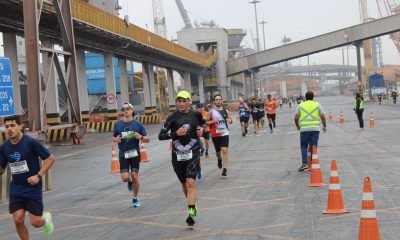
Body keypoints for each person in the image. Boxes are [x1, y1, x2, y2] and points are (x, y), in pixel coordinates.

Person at [0, 115, 55, 240]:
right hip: (16, 188)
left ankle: (45, 220)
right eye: (6, 126)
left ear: (20, 126)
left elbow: (50, 158)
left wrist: (38, 176)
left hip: (32, 188)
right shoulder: (4, 147)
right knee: (18, 219)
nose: (9, 129)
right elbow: (2, 168)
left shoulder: (30, 143)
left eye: (13, 125)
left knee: (35, 223)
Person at [158, 90, 205, 226]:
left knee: (191, 182)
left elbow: (203, 124)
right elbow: (161, 136)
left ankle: (191, 213)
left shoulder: (196, 114)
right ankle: (192, 204)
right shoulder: (172, 117)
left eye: (184, 101)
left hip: (193, 152)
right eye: (179, 101)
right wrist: (175, 133)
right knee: (184, 184)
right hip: (177, 155)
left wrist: (202, 130)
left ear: (189, 101)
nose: (181, 103)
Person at [112, 103, 150, 208]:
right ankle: (128, 181)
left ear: (132, 110)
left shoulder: (138, 124)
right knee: (125, 177)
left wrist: (140, 137)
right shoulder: (118, 124)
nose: (125, 111)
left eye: (127, 109)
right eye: (123, 109)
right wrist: (117, 139)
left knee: (135, 176)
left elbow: (148, 139)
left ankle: (135, 198)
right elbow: (114, 137)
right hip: (123, 153)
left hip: (134, 153)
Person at [294, 91, 327, 172]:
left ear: (305, 97)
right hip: (315, 129)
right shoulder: (317, 104)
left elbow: (296, 118)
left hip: (304, 129)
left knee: (304, 146)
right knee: (314, 146)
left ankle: (304, 164)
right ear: (313, 97)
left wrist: (298, 126)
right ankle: (313, 163)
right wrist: (324, 125)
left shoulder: (301, 105)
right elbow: (322, 116)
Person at [207, 94, 233, 176]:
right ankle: (219, 159)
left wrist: (229, 120)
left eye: (219, 99)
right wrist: (213, 121)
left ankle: (225, 168)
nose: (218, 101)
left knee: (224, 150)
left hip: (224, 133)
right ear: (214, 101)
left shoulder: (226, 111)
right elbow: (205, 122)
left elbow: (230, 120)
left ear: (222, 100)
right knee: (218, 152)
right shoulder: (211, 111)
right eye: (216, 99)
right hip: (215, 134)